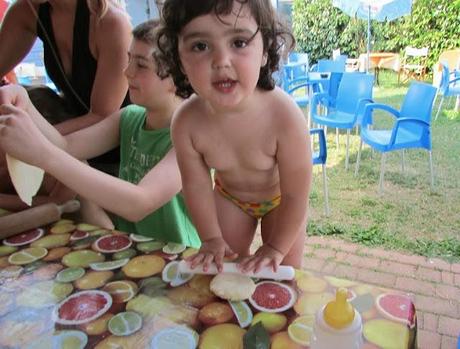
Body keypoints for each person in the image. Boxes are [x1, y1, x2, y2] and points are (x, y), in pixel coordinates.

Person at [0, 19, 201, 248]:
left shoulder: (191, 136)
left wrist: (42, 153)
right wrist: (25, 105)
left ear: (177, 78)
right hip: (134, 250)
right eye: (129, 60)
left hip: (178, 260)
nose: (127, 72)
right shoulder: (129, 118)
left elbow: (139, 202)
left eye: (141, 65)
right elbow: (65, 147)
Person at [155, 0, 312, 273]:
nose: (221, 61)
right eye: (200, 46)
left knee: (283, 273)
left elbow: (297, 196)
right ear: (179, 58)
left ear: (265, 50)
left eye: (239, 42)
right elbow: (196, 187)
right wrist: (211, 238)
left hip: (281, 201)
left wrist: (275, 248)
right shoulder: (186, 122)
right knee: (223, 267)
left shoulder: (285, 117)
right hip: (231, 198)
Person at [0, 0, 132, 206]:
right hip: (66, 140)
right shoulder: (27, 10)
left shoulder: (111, 23)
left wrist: (27, 139)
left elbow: (102, 115)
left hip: (118, 151)